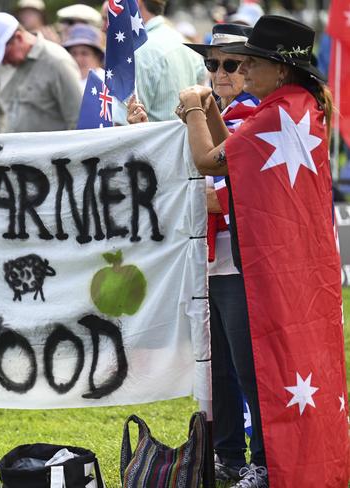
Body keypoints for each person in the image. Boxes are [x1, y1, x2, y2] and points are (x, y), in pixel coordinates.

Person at [177, 15, 334, 488]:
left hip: (260, 263)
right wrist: (209, 114)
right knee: (248, 367)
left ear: (279, 69)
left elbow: (209, 162)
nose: (243, 72)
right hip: (276, 262)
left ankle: (264, 462)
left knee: (255, 370)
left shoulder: (275, 111)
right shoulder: (292, 106)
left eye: (251, 64)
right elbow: (236, 155)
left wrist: (189, 111)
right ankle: (263, 459)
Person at [183, 22, 260, 485]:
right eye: (212, 63)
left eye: (231, 63)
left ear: (252, 68)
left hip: (240, 257)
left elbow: (212, 186)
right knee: (218, 371)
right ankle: (229, 455)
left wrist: (189, 195)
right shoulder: (214, 113)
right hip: (209, 257)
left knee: (247, 369)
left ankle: (263, 460)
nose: (219, 72)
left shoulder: (254, 115)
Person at [0, 12, 82, 133]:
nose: (3, 62)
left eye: (4, 55)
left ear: (18, 37)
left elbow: (77, 119)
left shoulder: (58, 62)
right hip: (11, 150)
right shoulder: (1, 64)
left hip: (51, 151)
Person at [135, 0, 206, 121]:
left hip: (153, 139)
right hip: (187, 138)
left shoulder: (140, 49)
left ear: (138, 3)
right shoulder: (185, 43)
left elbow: (122, 124)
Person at [62, 23, 104, 92]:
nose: (78, 59)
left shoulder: (107, 83)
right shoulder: (62, 81)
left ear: (97, 57)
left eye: (84, 53)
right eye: (74, 53)